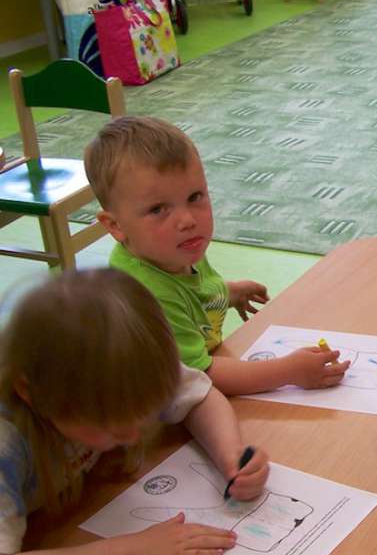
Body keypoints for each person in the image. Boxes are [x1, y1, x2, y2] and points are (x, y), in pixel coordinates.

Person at [0, 269, 270, 555]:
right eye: (109, 426)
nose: (131, 436)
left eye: (141, 416)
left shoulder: (121, 369)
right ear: (31, 393)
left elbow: (201, 397)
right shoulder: (7, 440)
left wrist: (229, 453)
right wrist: (130, 552)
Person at [85, 115, 350, 395]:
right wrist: (288, 371)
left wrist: (226, 292)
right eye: (158, 209)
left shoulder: (175, 248)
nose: (187, 220)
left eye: (194, 197)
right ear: (115, 226)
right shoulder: (144, 295)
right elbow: (201, 376)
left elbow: (189, 295)